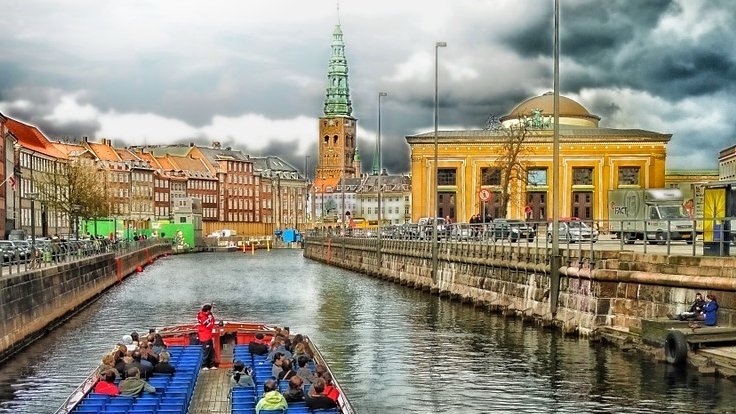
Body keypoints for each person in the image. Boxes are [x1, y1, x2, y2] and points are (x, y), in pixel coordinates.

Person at [197, 303, 217, 370]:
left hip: (208, 336)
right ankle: (204, 365)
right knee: (206, 352)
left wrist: (211, 317)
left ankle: (211, 365)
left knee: (211, 351)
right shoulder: (203, 318)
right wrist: (211, 319)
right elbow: (210, 326)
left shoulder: (203, 315)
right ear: (207, 310)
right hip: (205, 337)